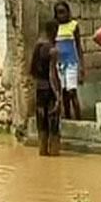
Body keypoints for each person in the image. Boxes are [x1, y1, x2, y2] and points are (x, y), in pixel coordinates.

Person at [30, 20, 62, 156]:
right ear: (54, 31)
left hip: (39, 88)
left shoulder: (37, 48)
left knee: (41, 122)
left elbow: (32, 72)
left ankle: (42, 152)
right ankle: (54, 153)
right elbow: (52, 74)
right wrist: (58, 96)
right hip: (50, 88)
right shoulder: (52, 50)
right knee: (53, 123)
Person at [53, 1, 84, 120]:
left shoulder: (74, 25)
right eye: (58, 13)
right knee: (63, 92)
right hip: (59, 63)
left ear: (68, 12)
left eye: (63, 12)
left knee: (72, 92)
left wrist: (81, 66)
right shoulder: (55, 26)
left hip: (71, 62)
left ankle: (79, 119)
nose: (61, 16)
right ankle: (68, 118)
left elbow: (78, 46)